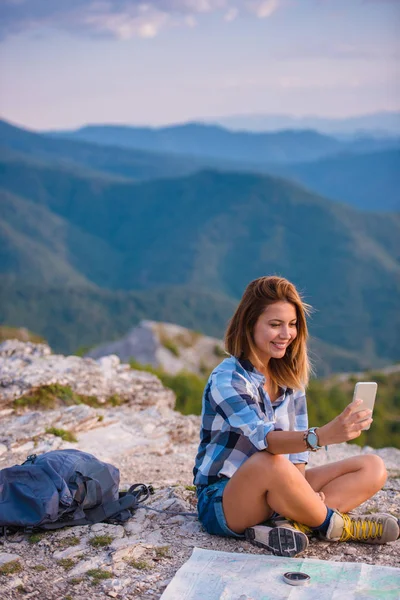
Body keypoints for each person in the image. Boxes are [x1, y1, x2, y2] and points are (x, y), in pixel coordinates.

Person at [193, 276, 399, 557]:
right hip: (223, 500)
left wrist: (299, 493)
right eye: (275, 325)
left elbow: (296, 462)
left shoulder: (289, 382)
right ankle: (334, 525)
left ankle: (291, 524)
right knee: (269, 462)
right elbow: (267, 441)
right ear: (249, 324)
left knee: (372, 466)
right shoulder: (228, 379)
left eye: (292, 325)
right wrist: (323, 435)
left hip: (275, 488)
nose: (286, 334)